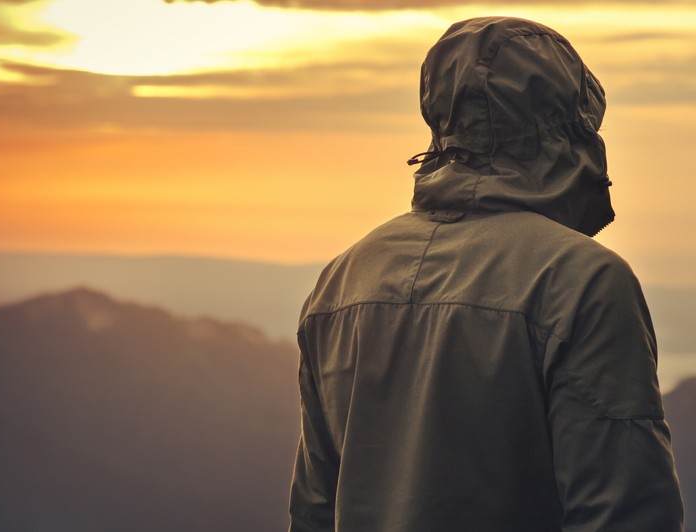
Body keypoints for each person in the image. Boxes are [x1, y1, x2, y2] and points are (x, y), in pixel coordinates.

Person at [288, 16, 684, 532]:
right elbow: (625, 512)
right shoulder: (581, 281)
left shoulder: (342, 281)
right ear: (573, 123)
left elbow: (315, 511)